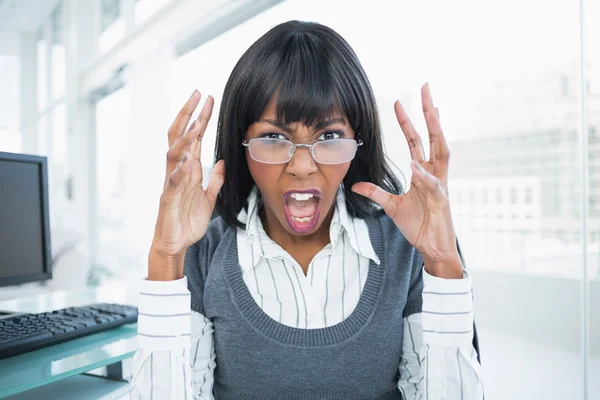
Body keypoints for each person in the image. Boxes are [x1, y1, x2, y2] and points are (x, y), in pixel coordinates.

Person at [129, 20, 484, 399]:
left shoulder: (405, 247)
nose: (301, 166)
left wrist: (444, 265)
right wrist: (166, 259)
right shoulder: (204, 251)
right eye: (273, 137)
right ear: (241, 144)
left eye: (329, 136)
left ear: (357, 141)